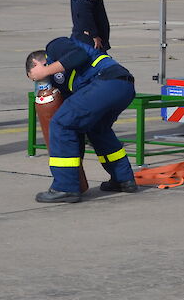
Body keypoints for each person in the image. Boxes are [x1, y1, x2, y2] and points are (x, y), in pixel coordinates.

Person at [25, 38, 139, 203]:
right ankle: (123, 179)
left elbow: (78, 55)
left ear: (36, 64)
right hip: (122, 87)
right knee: (97, 129)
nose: (42, 83)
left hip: (107, 81)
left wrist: (45, 71)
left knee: (60, 123)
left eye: (35, 78)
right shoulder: (64, 83)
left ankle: (65, 187)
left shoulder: (55, 47)